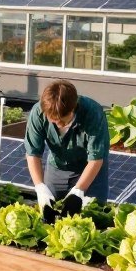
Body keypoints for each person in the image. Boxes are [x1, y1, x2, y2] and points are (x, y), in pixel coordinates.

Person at [24, 79, 110, 210]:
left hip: (89, 171)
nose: (58, 124)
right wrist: (40, 188)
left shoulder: (93, 113)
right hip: (56, 169)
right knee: (50, 214)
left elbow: (95, 159)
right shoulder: (38, 112)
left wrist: (79, 191)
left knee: (93, 215)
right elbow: (32, 153)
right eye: (54, 120)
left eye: (62, 120)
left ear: (73, 109)